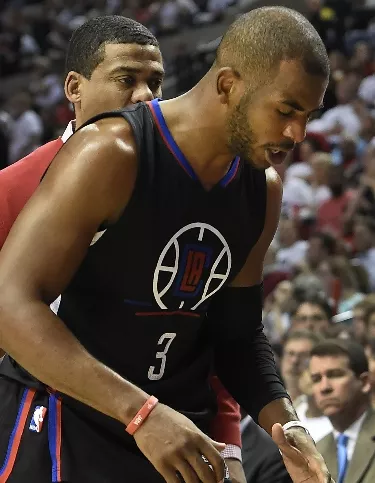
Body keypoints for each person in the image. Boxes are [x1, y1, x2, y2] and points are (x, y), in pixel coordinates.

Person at [0, 6, 333, 483]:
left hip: (174, 435)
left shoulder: (263, 189)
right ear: (227, 85)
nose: (297, 134)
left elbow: (237, 334)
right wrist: (141, 413)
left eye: (307, 115)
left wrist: (286, 423)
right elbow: (8, 304)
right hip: (71, 425)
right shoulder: (110, 153)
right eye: (285, 111)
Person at [310, 339, 375, 482]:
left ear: (364, 382)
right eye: (316, 379)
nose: (324, 387)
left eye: (335, 375)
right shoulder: (315, 452)